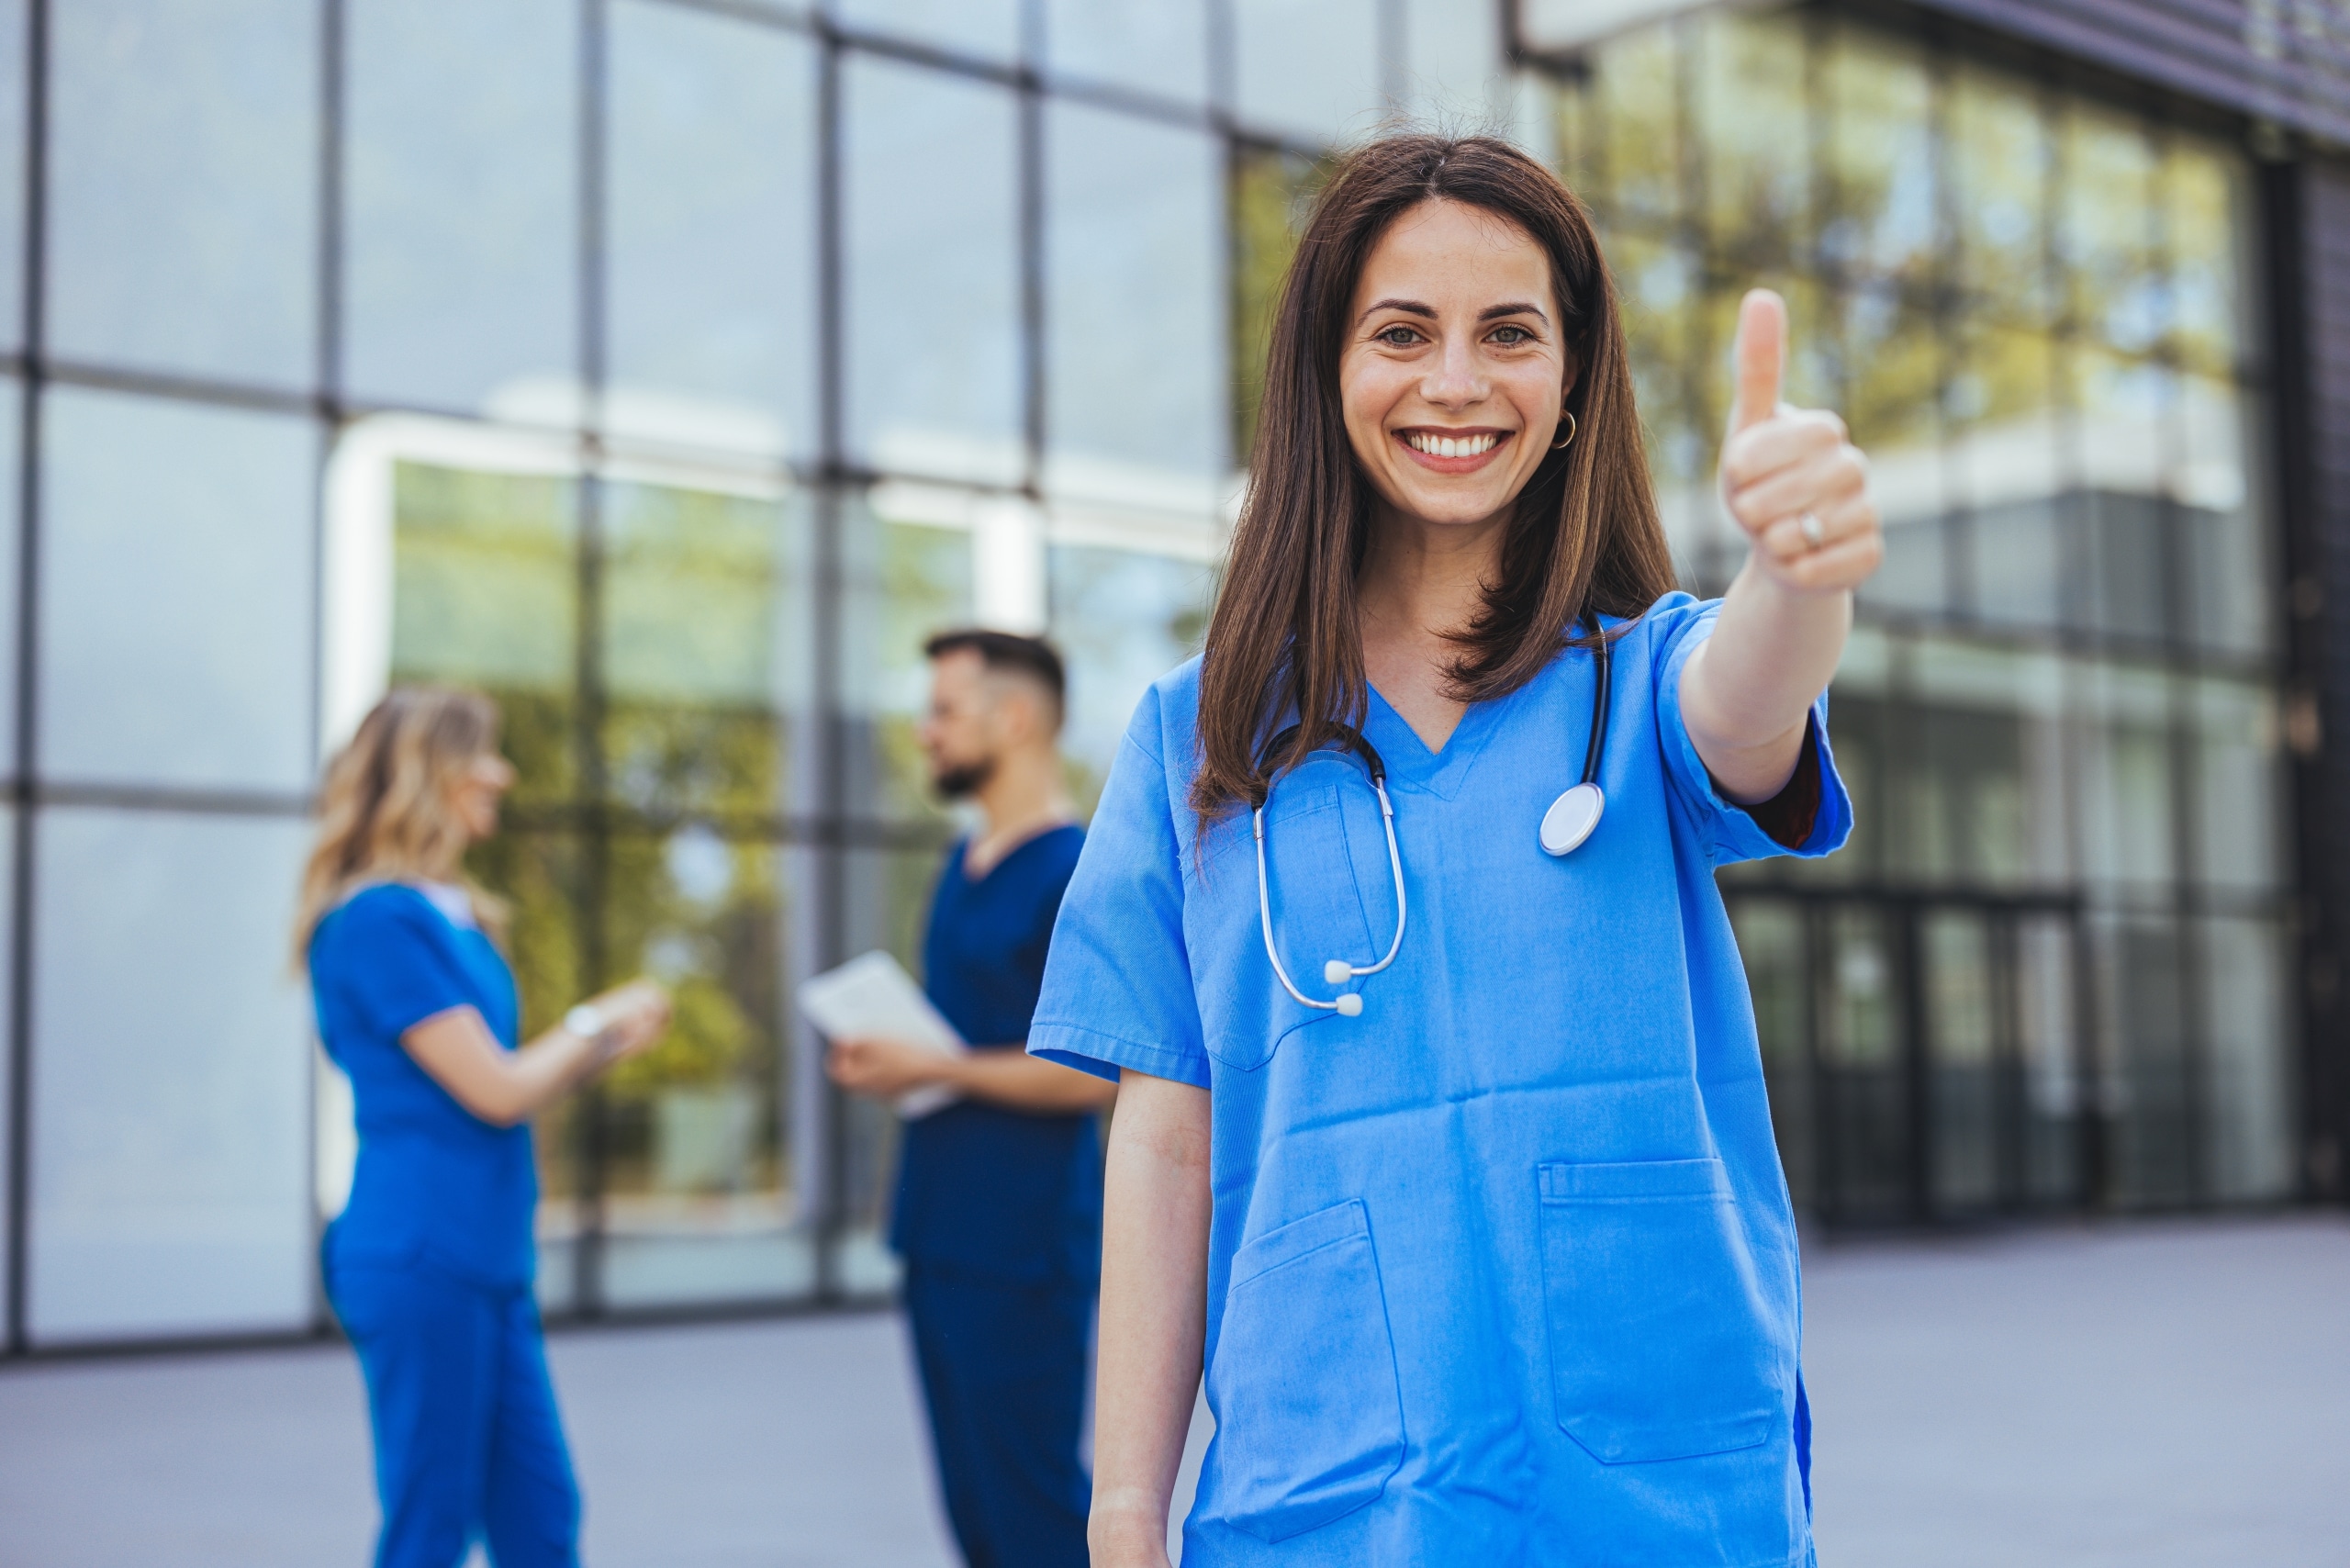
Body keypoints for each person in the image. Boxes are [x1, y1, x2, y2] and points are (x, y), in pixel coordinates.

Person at [1028, 135, 1884, 1565]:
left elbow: (1751, 699)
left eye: (1509, 334)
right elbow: (1167, 1149)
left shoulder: (1640, 678)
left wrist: (1799, 573)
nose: (1454, 383)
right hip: (1328, 1489)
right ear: (1327, 374)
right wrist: (1124, 1511)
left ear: (1567, 389)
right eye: (1401, 333)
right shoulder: (1197, 739)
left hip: (1655, 1490)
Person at [296, 688, 673, 1568]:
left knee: (540, 1521)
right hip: (422, 1254)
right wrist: (595, 1018)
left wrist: (604, 1040)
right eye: (483, 756)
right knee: (430, 1526)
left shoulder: (452, 913)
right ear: (432, 774)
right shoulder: (375, 922)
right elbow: (497, 1092)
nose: (502, 774)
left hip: (487, 1256)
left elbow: (508, 1085)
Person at [825, 629, 1120, 1568]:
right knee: (973, 1515)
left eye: (944, 711)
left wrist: (936, 1069)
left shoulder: (1077, 872)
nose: (924, 733)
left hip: (1024, 1250)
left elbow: (1092, 1073)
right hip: (937, 1235)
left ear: (1016, 718)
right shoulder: (965, 864)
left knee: (1032, 1510)